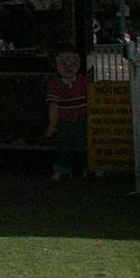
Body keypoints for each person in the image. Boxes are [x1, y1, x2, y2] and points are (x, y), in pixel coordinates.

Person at [45, 47, 91, 180]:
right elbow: (53, 106)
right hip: (65, 121)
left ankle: (88, 167)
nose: (69, 66)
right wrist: (52, 126)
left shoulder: (84, 82)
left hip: (82, 119)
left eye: (74, 62)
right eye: (63, 62)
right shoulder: (55, 84)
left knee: (84, 146)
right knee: (63, 146)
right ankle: (63, 169)